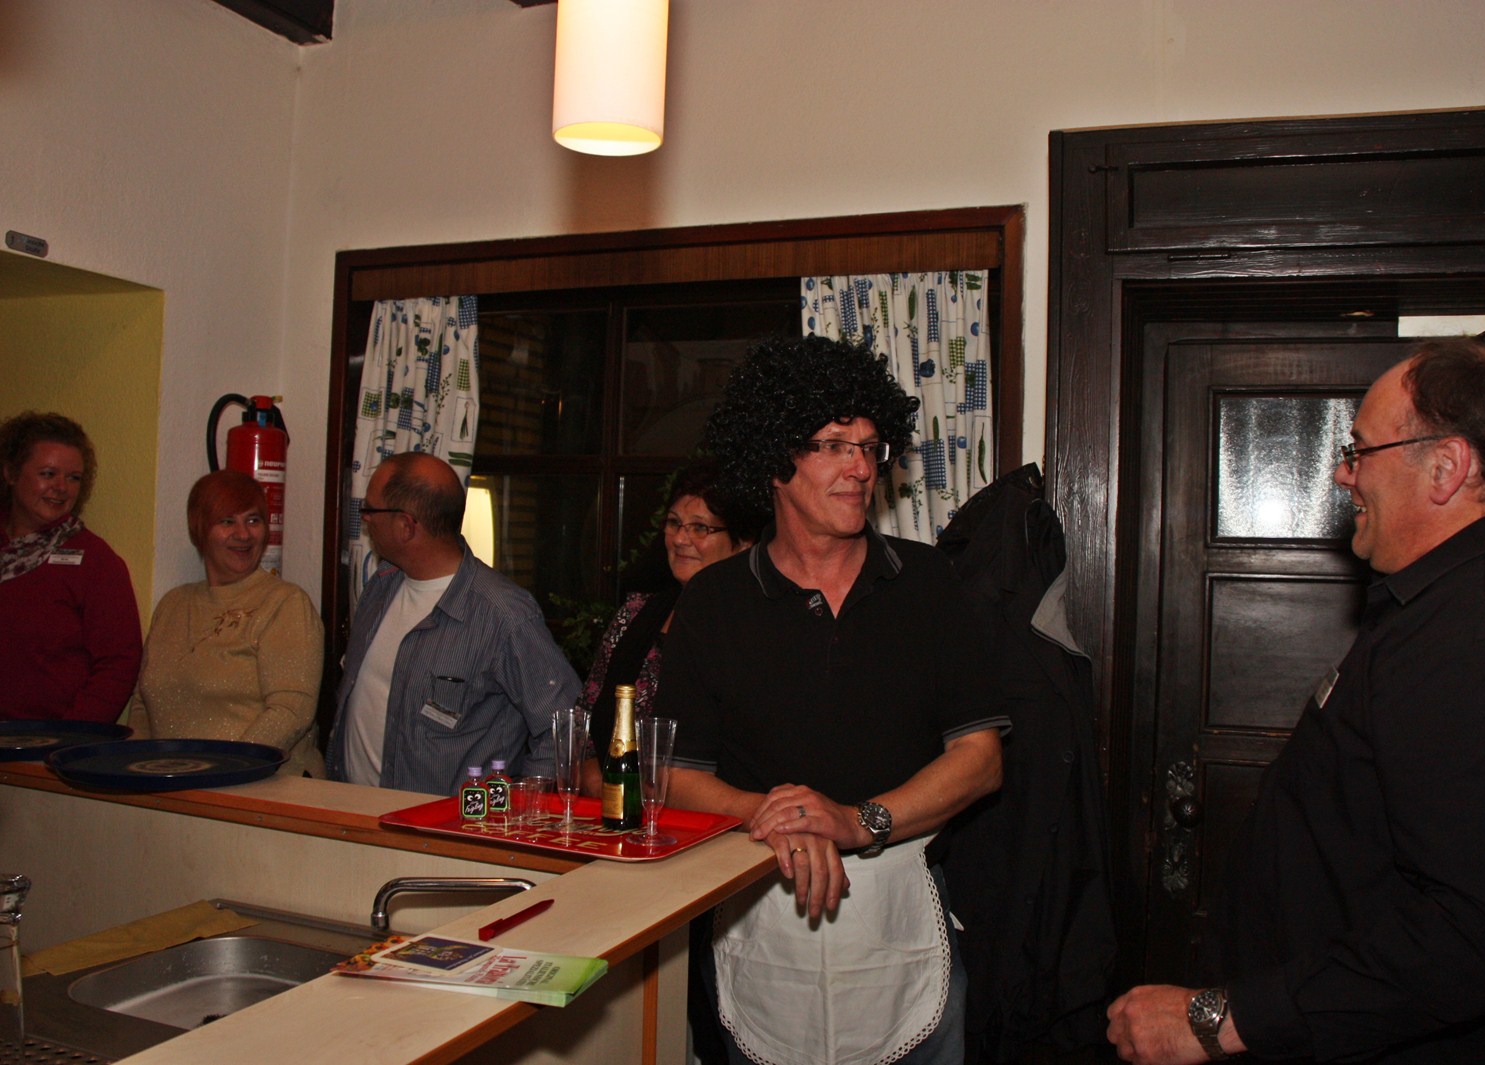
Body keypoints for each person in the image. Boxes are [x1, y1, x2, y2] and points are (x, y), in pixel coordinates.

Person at [1107, 338, 1485, 1064]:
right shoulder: (1451, 604)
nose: (1342, 473)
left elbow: (1474, 936)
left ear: (1446, 466)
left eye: (1360, 449)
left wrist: (1217, 1020)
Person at [654, 334, 1008, 1065]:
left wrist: (856, 820)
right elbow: (675, 773)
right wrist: (773, 814)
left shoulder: (927, 582)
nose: (861, 468)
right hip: (759, 908)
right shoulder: (714, 600)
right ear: (774, 460)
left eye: (870, 447)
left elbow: (980, 758)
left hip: (903, 919)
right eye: (834, 446)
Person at [325, 451, 580, 795]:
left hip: (446, 824)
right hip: (351, 810)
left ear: (405, 526)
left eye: (370, 510)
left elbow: (564, 729)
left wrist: (522, 805)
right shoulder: (380, 586)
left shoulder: (503, 615)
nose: (365, 519)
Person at [578, 459, 760, 794]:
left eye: (700, 528)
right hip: (618, 810)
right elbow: (585, 721)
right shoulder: (637, 614)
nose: (680, 539)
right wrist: (591, 771)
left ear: (743, 542)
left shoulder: (756, 627)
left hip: (721, 812)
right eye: (674, 523)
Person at [125, 470, 324, 776]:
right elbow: (142, 705)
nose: (243, 534)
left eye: (253, 520)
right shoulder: (172, 605)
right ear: (199, 529)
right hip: (174, 785)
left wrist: (223, 770)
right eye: (227, 521)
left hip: (260, 786)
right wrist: (139, 771)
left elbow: (292, 711)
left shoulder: (285, 603)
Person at [0, 411, 140, 722]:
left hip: (51, 744)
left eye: (73, 477)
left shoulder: (96, 562)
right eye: (48, 473)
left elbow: (119, 664)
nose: (61, 487)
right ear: (10, 472)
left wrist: (71, 738)